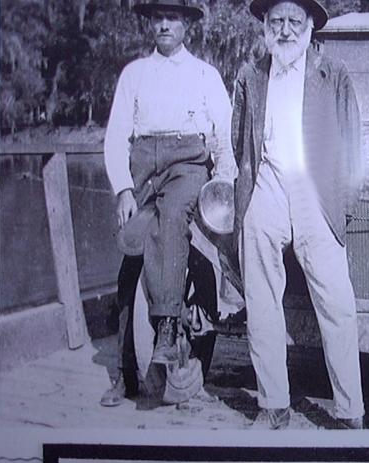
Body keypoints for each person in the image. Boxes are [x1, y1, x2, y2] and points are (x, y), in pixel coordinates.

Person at [231, 0, 365, 429]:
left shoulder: (334, 73)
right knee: (261, 294)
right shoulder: (251, 75)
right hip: (267, 181)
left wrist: (340, 205)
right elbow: (239, 141)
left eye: (294, 21)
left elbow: (352, 143)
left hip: (315, 186)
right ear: (265, 28)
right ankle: (274, 405)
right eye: (276, 22)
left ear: (310, 27)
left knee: (337, 301)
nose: (285, 31)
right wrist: (249, 195)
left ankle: (350, 413)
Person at [101, 0, 236, 406]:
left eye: (172, 18)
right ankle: (126, 378)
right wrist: (124, 189)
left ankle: (167, 328)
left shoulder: (205, 75)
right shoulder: (134, 75)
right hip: (143, 166)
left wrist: (225, 180)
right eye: (157, 18)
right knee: (132, 258)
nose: (164, 25)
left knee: (174, 219)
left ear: (187, 26)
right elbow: (115, 136)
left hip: (187, 165)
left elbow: (225, 133)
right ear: (149, 24)